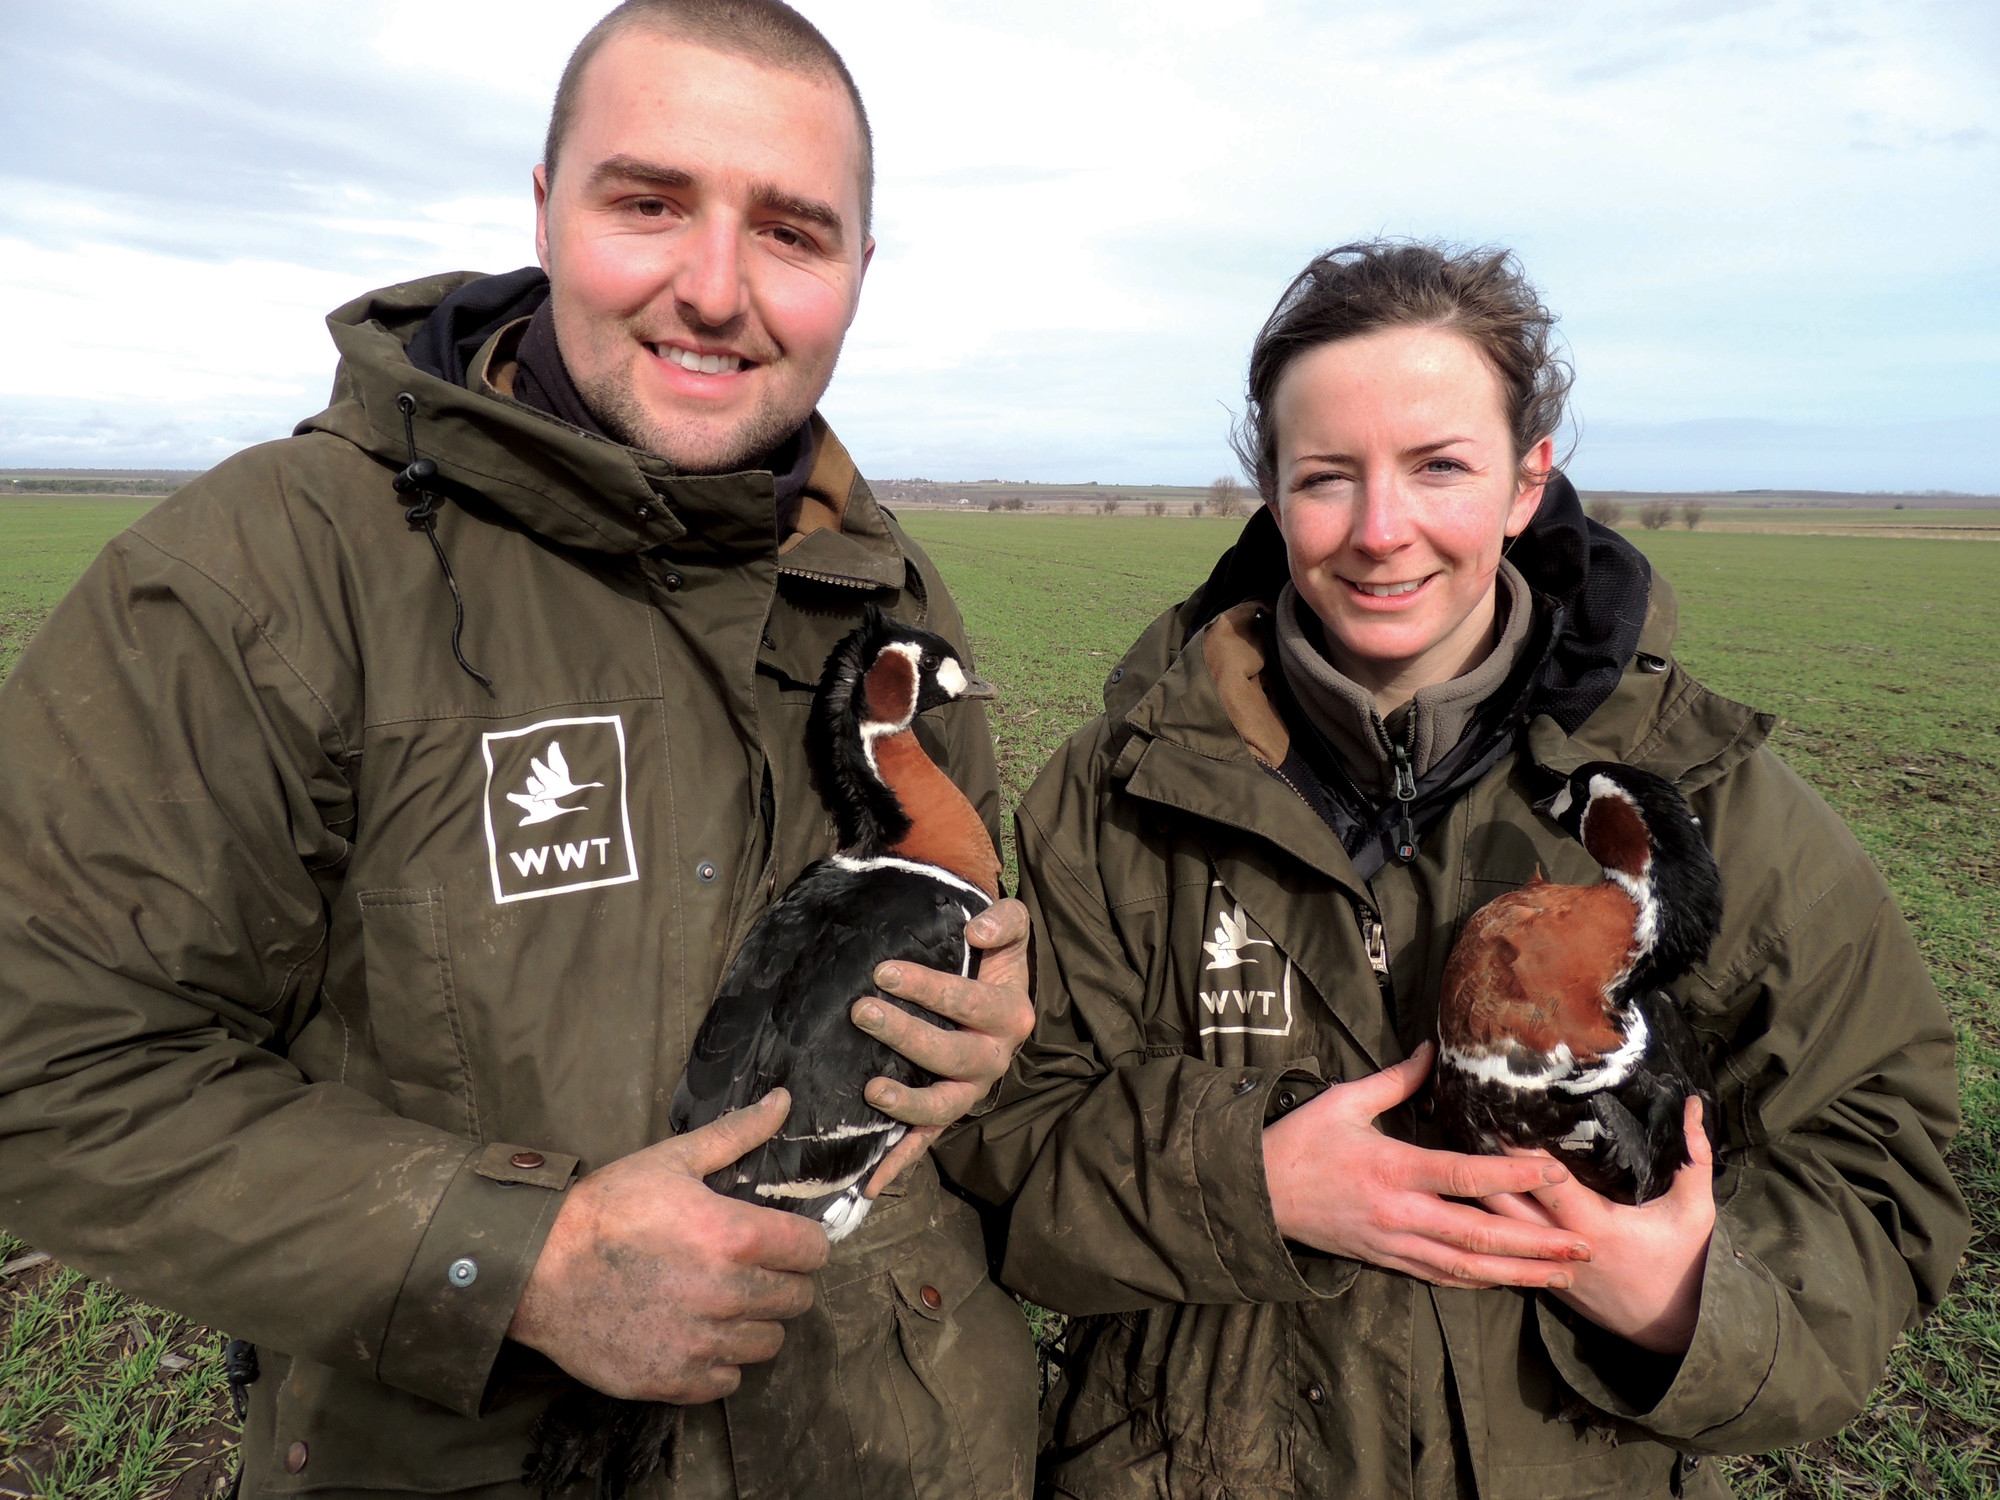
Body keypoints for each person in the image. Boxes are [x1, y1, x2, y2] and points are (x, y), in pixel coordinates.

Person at [0, 3, 1038, 1495]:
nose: (715, 287)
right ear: (544, 206)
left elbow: (969, 921)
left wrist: (978, 1028)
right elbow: (46, 1055)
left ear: (859, 272)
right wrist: (519, 1257)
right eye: (649, 202)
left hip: (896, 1444)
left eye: (794, 231)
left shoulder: (881, 596)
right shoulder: (272, 571)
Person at [940, 241, 1967, 1497]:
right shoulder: (1117, 799)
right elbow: (1002, 1139)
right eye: (1326, 477)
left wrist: (1688, 1299)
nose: (1381, 533)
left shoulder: (1694, 800)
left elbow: (1879, 1141)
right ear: (1267, 487)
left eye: (1440, 468)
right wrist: (1246, 1183)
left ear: (1528, 481)